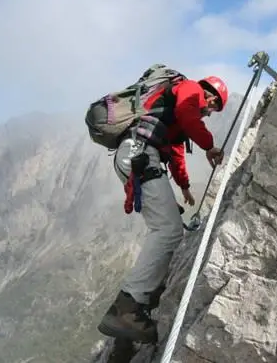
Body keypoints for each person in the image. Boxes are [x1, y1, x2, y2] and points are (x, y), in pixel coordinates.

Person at [97, 75, 229, 344]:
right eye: (213, 109)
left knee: (170, 228)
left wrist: (184, 187)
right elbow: (187, 114)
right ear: (212, 98)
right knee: (168, 230)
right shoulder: (191, 90)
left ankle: (141, 300)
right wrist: (209, 144)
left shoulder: (175, 108)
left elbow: (177, 151)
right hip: (140, 154)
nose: (209, 113)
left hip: (139, 155)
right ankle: (128, 308)